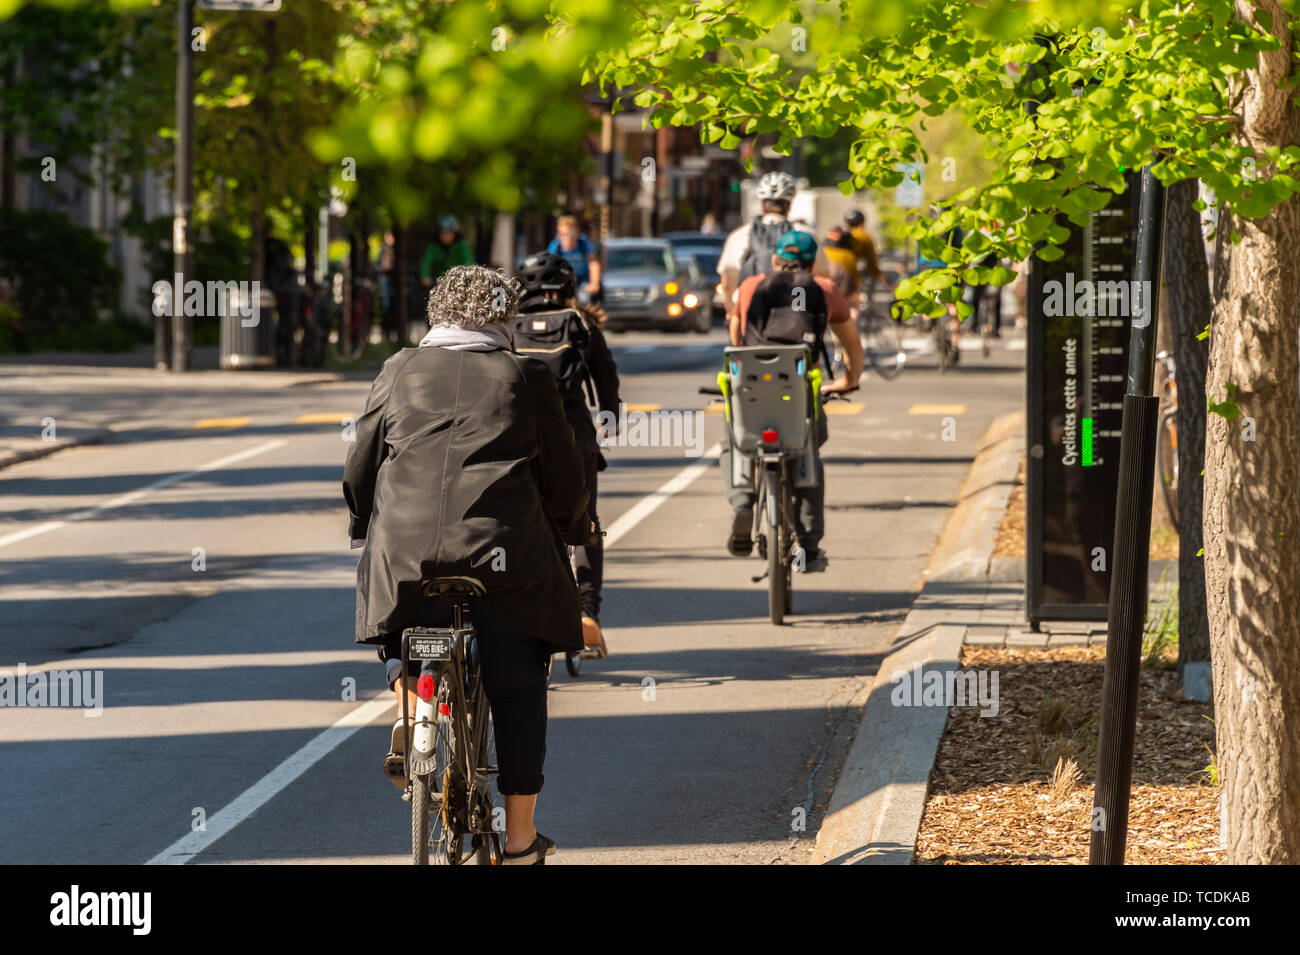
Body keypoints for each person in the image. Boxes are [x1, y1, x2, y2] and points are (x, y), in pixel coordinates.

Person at [343, 265, 588, 865]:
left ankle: (414, 694)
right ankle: (523, 839)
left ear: (436, 315)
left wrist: (363, 525)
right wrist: (574, 528)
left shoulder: (397, 370)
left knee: (406, 614)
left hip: (407, 553)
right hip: (503, 558)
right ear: (503, 320)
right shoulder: (525, 375)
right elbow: (564, 476)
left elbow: (360, 465)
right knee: (521, 683)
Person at [720, 230, 864, 572]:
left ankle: (742, 502)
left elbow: (736, 338)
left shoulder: (750, 286)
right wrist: (848, 381)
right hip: (799, 391)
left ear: (774, 260)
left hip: (752, 392)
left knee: (734, 439)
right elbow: (852, 346)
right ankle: (810, 546)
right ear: (813, 264)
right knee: (809, 448)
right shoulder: (825, 290)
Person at [512, 251, 621, 657]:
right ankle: (587, 616)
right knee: (584, 524)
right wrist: (610, 418)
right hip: (573, 439)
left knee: (513, 520)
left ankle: (514, 608)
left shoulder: (506, 326)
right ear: (569, 288)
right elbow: (606, 378)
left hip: (517, 440)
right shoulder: (581, 324)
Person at [717, 171, 830, 320]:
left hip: (751, 317)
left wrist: (732, 314)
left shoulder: (739, 236)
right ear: (789, 204)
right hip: (795, 315)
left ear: (762, 203)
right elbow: (823, 278)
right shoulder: (805, 234)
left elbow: (728, 285)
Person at [546, 215, 602, 304]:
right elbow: (549, 267)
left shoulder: (583, 243)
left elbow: (593, 263)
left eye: (571, 233)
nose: (568, 237)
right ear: (559, 234)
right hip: (564, 280)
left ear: (577, 232)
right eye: (564, 234)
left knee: (583, 300)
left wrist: (594, 283)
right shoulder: (555, 246)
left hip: (583, 279)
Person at [419, 216, 474, 290]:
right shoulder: (434, 245)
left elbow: (468, 263)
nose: (445, 236)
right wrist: (424, 276)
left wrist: (466, 279)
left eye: (448, 233)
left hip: (458, 282)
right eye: (442, 233)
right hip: (438, 282)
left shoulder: (462, 245)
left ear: (455, 234)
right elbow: (426, 261)